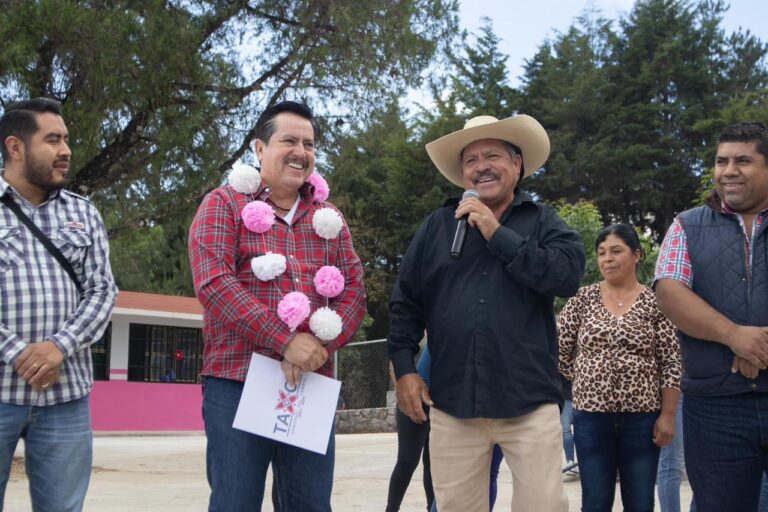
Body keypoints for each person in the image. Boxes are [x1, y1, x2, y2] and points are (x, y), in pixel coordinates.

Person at [388, 114, 585, 511]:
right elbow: (404, 303)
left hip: (527, 399)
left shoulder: (542, 221)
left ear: (517, 164)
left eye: (492, 155)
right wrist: (406, 370)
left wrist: (497, 234)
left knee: (544, 506)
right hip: (453, 401)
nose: (481, 166)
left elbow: (567, 275)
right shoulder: (438, 226)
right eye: (470, 160)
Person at [188, 100, 366, 511]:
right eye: (288, 140)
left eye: (309, 143)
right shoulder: (223, 203)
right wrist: (285, 341)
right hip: (236, 381)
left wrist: (319, 349)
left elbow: (354, 289)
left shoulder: (329, 217)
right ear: (259, 148)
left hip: (311, 383)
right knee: (235, 503)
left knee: (309, 504)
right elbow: (214, 284)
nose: (300, 151)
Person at [0, 98, 118, 511]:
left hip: (66, 397)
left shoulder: (83, 214)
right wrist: (20, 354)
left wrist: (58, 348)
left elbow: (103, 292)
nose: (66, 150)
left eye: (66, 139)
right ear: (15, 147)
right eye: (52, 139)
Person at [655, 122, 768, 511]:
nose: (728, 171)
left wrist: (759, 346)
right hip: (715, 407)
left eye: (743, 160)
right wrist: (733, 335)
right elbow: (669, 291)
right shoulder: (687, 225)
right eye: (721, 161)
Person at [559, 224, 681, 512]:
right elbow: (559, 351)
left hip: (643, 419)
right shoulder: (582, 298)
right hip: (591, 419)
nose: (607, 259)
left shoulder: (656, 302)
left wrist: (667, 416)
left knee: (640, 502)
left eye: (616, 251)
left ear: (637, 255)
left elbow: (672, 361)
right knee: (595, 501)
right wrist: (588, 380)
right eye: (601, 253)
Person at [386, 347, 435, 512]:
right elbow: (394, 363)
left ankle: (433, 508)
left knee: (433, 464)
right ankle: (391, 509)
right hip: (414, 396)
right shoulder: (410, 327)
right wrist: (406, 397)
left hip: (439, 402)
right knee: (407, 461)